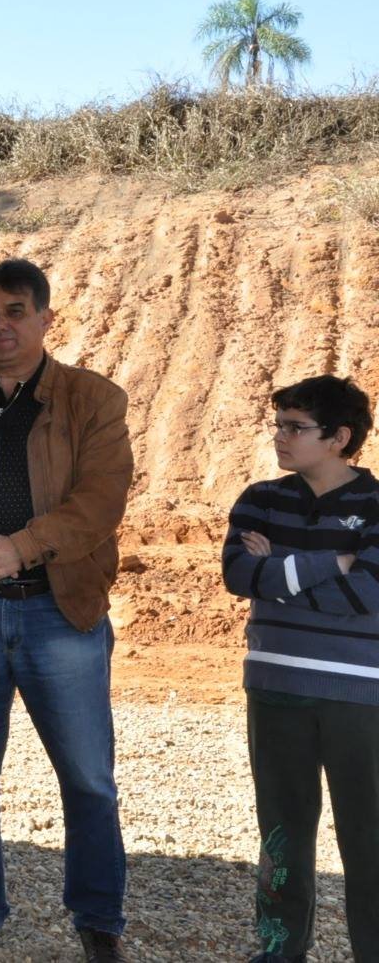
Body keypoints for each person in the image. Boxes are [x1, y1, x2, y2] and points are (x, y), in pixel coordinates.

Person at [0, 259, 135, 963]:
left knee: (89, 776)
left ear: (44, 319)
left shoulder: (92, 399)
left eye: (14, 311)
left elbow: (102, 501)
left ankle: (99, 919)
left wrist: (20, 548)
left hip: (59, 611)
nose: (0, 325)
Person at [223, 375, 379, 963]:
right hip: (274, 688)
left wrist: (283, 570)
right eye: (278, 425)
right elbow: (240, 575)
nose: (280, 438)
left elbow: (370, 593)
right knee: (282, 837)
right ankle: (279, 950)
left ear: (339, 438)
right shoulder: (260, 498)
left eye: (296, 428)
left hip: (361, 698)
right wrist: (333, 561)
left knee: (370, 839)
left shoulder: (377, 504)